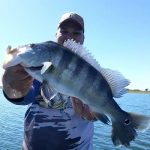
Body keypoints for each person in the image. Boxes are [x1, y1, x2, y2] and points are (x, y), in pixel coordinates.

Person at [2, 12, 97, 150]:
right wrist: (11, 87)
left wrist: (92, 115)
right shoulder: (40, 65)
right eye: (64, 31)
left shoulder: (92, 74)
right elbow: (24, 96)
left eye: (76, 33)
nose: (69, 36)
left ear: (83, 38)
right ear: (55, 34)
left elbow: (102, 108)